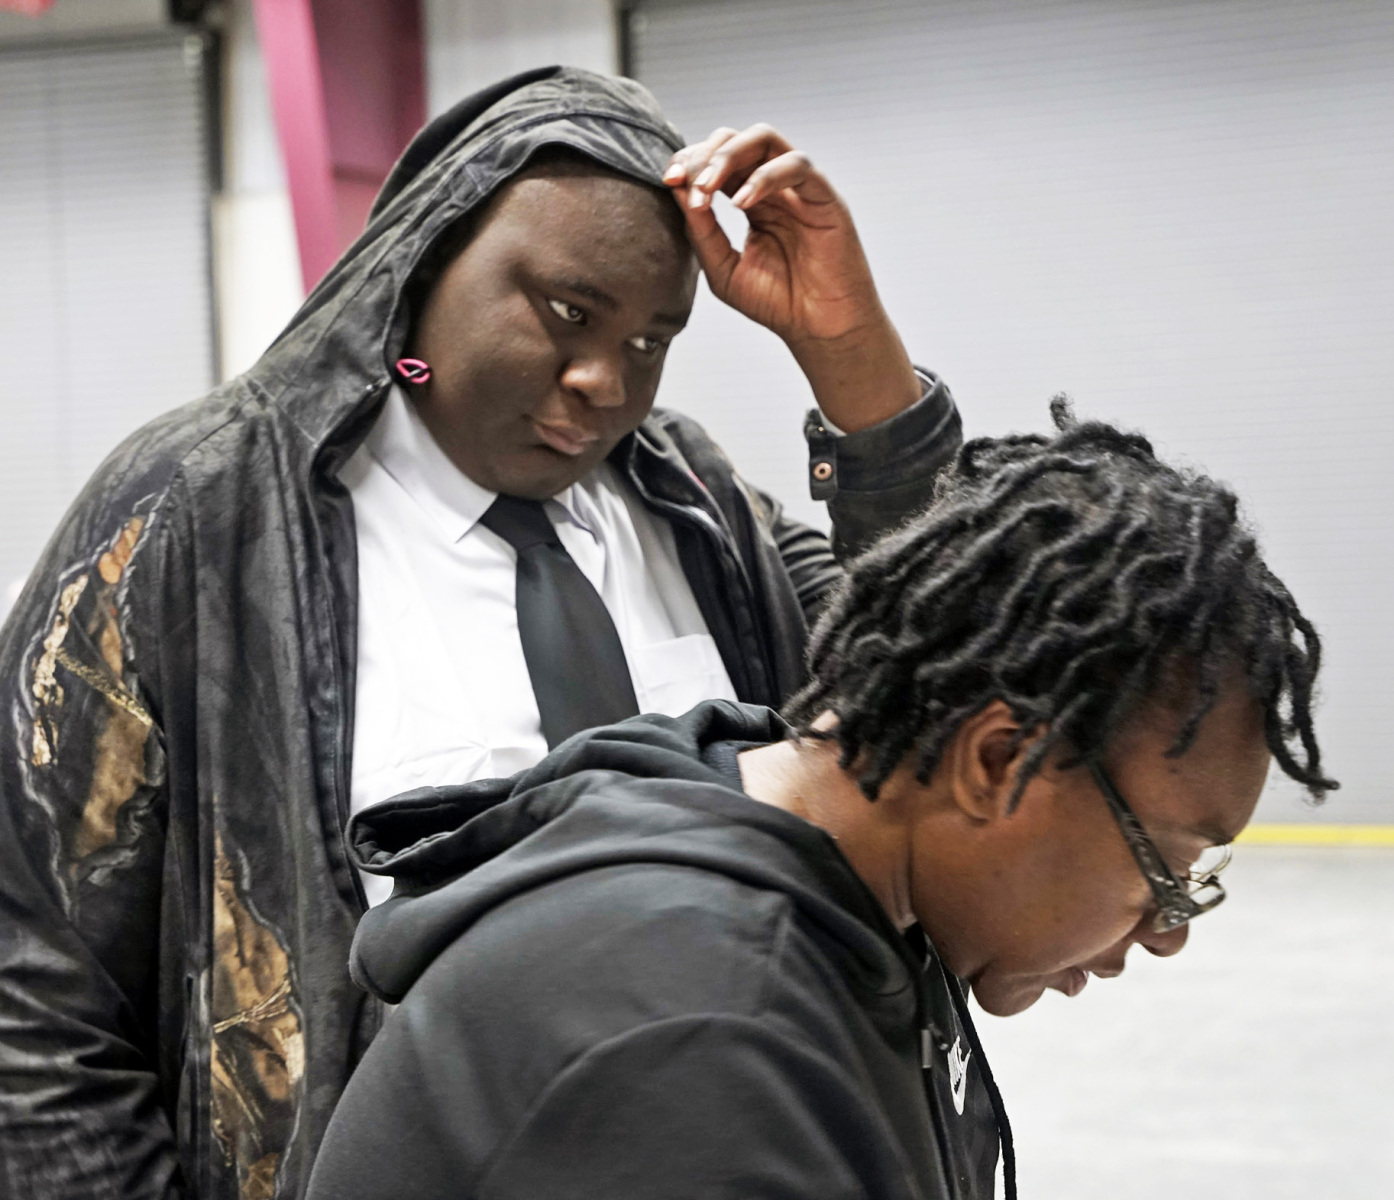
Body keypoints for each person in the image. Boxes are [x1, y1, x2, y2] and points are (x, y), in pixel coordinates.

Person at [0, 68, 962, 1199]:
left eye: (651, 340)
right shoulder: (196, 513)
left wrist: (850, 354)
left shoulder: (695, 501)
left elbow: (950, 669)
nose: (603, 382)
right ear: (422, 259)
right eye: (567, 313)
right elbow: (35, 999)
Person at [304, 404, 1336, 1200]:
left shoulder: (825, 864)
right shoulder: (697, 1037)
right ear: (996, 762)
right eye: (1166, 869)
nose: (1166, 932)